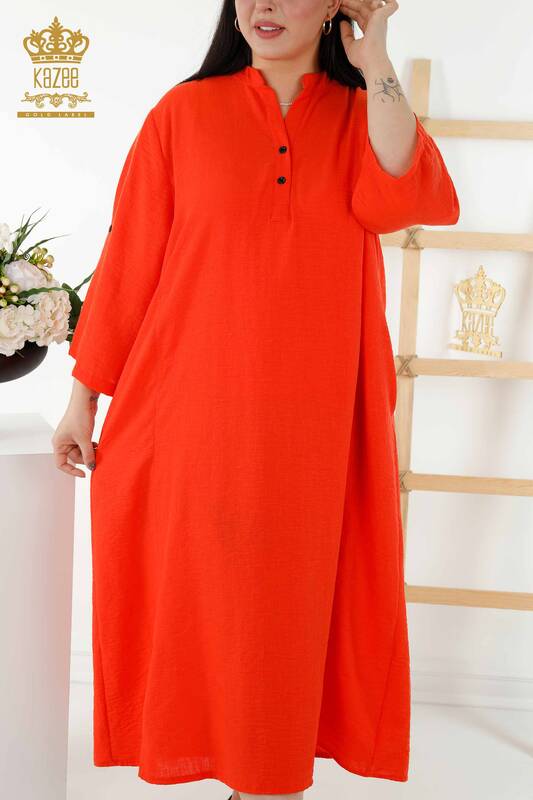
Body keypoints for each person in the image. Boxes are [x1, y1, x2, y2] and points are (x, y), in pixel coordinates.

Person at [52, 1, 460, 799]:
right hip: (189, 408)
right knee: (205, 599)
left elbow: (404, 198)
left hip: (317, 414)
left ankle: (267, 777)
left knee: (288, 599)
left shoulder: (361, 112)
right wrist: (82, 398)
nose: (264, 5)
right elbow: (131, 258)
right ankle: (238, 769)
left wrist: (376, 57)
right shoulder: (182, 114)